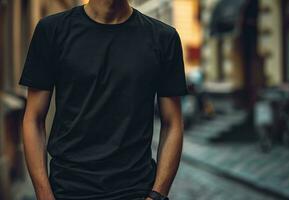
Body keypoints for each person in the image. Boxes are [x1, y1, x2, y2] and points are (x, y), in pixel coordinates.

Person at [18, 0, 188, 199]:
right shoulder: (52, 30)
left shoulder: (163, 38)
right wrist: (44, 195)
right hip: (68, 189)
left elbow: (173, 122)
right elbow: (33, 118)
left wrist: (157, 195)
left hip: (135, 190)